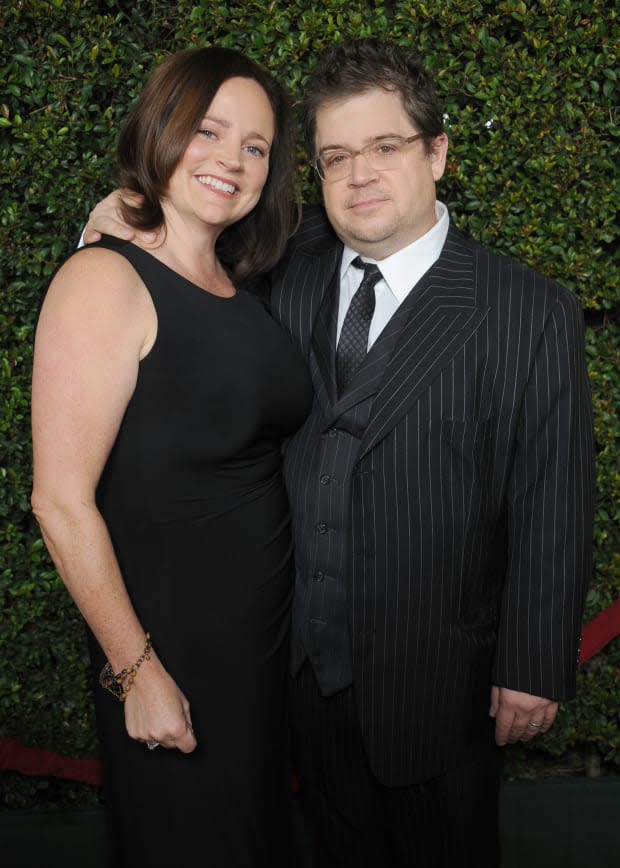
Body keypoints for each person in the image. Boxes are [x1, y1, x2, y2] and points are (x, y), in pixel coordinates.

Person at [83, 38, 595, 868]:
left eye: (384, 148)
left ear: (437, 152)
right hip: (292, 677)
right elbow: (173, 295)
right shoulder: (283, 267)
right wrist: (112, 219)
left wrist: (534, 664)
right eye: (334, 158)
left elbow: (555, 500)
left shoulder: (527, 309)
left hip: (441, 685)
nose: (359, 176)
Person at [31, 46, 312, 868]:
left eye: (254, 147)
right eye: (208, 131)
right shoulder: (104, 280)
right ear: (163, 131)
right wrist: (137, 671)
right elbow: (60, 501)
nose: (231, 159)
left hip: (257, 658)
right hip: (171, 653)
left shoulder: (242, 288)